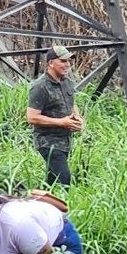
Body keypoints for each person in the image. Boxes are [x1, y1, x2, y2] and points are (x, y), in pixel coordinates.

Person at [27, 45, 83, 187]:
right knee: (64, 179)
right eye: (63, 61)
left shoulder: (67, 82)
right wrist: (62, 122)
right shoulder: (40, 87)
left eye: (69, 61)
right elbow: (32, 117)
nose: (68, 65)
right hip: (47, 141)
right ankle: (67, 207)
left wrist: (77, 117)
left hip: (64, 141)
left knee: (51, 181)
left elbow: (72, 103)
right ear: (51, 63)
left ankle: (40, 203)